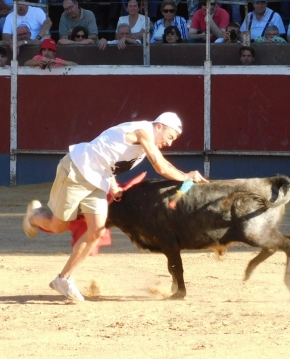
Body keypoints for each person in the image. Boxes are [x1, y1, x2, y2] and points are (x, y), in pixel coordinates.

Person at [23, 112, 206, 301]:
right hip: (76, 170)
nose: (170, 143)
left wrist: (112, 185)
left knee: (97, 230)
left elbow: (106, 155)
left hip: (98, 180)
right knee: (58, 225)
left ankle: (64, 279)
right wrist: (187, 177)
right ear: (159, 126)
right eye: (170, 136)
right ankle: (34, 216)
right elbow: (161, 167)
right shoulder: (143, 130)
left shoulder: (142, 146)